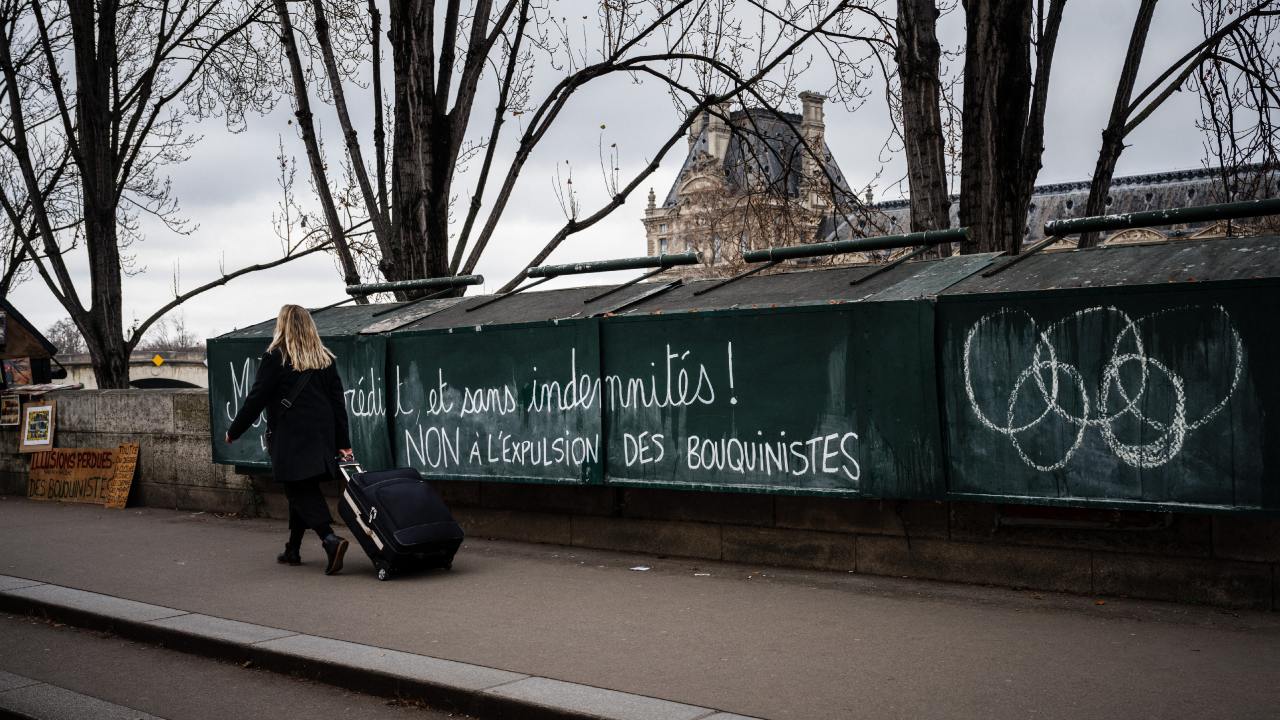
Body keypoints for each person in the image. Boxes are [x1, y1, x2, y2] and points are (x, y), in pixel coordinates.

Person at [226, 304, 352, 575]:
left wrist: (234, 431)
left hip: (291, 436)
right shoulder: (324, 359)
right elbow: (338, 404)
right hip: (321, 435)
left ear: (282, 326)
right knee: (300, 486)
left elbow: (256, 398)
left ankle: (330, 540)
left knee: (298, 489)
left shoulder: (276, 357)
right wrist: (343, 442)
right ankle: (292, 549)